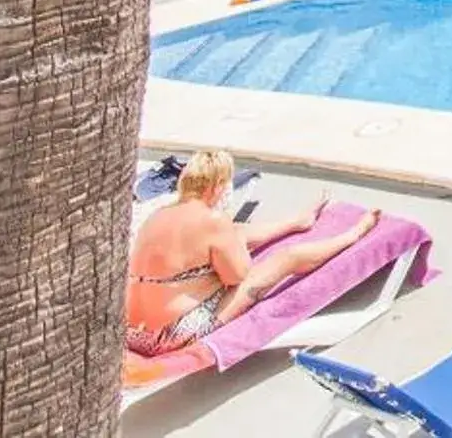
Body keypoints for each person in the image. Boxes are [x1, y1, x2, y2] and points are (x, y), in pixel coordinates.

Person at [125, 150, 378, 356]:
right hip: (167, 336)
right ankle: (352, 235)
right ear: (217, 187)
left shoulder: (159, 215)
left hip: (132, 332)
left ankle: (298, 222)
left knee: (235, 232)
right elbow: (236, 277)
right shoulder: (213, 220)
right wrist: (235, 252)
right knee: (285, 258)